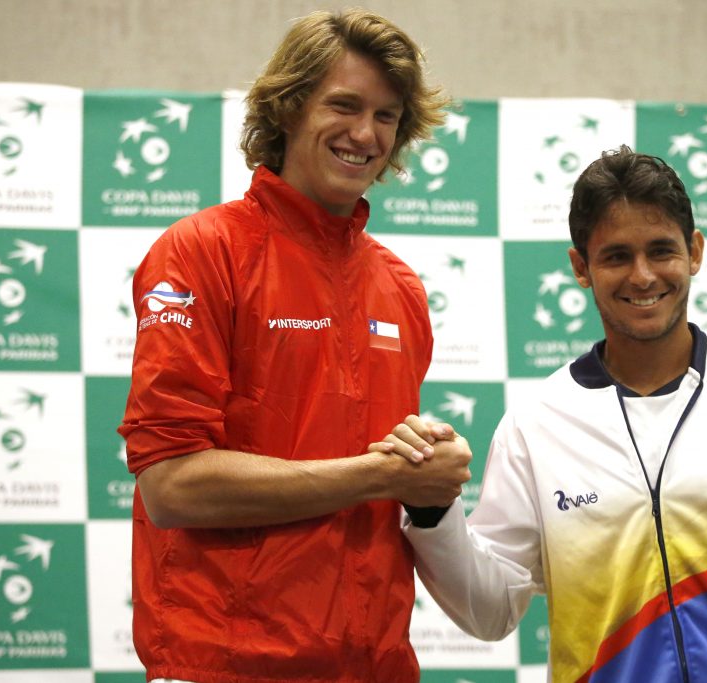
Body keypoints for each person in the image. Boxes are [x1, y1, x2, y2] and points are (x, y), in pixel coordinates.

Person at [380, 147, 707, 682]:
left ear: (694, 252)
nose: (643, 277)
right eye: (617, 256)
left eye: (661, 251)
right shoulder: (537, 422)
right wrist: (434, 511)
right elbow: (490, 612)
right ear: (581, 268)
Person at [117, 9, 470, 683]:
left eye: (387, 117)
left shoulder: (399, 286)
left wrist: (428, 467)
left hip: (377, 668)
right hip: (224, 669)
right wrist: (381, 474)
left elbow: (392, 478)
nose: (366, 134)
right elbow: (171, 486)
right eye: (344, 105)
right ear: (286, 107)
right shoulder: (199, 253)